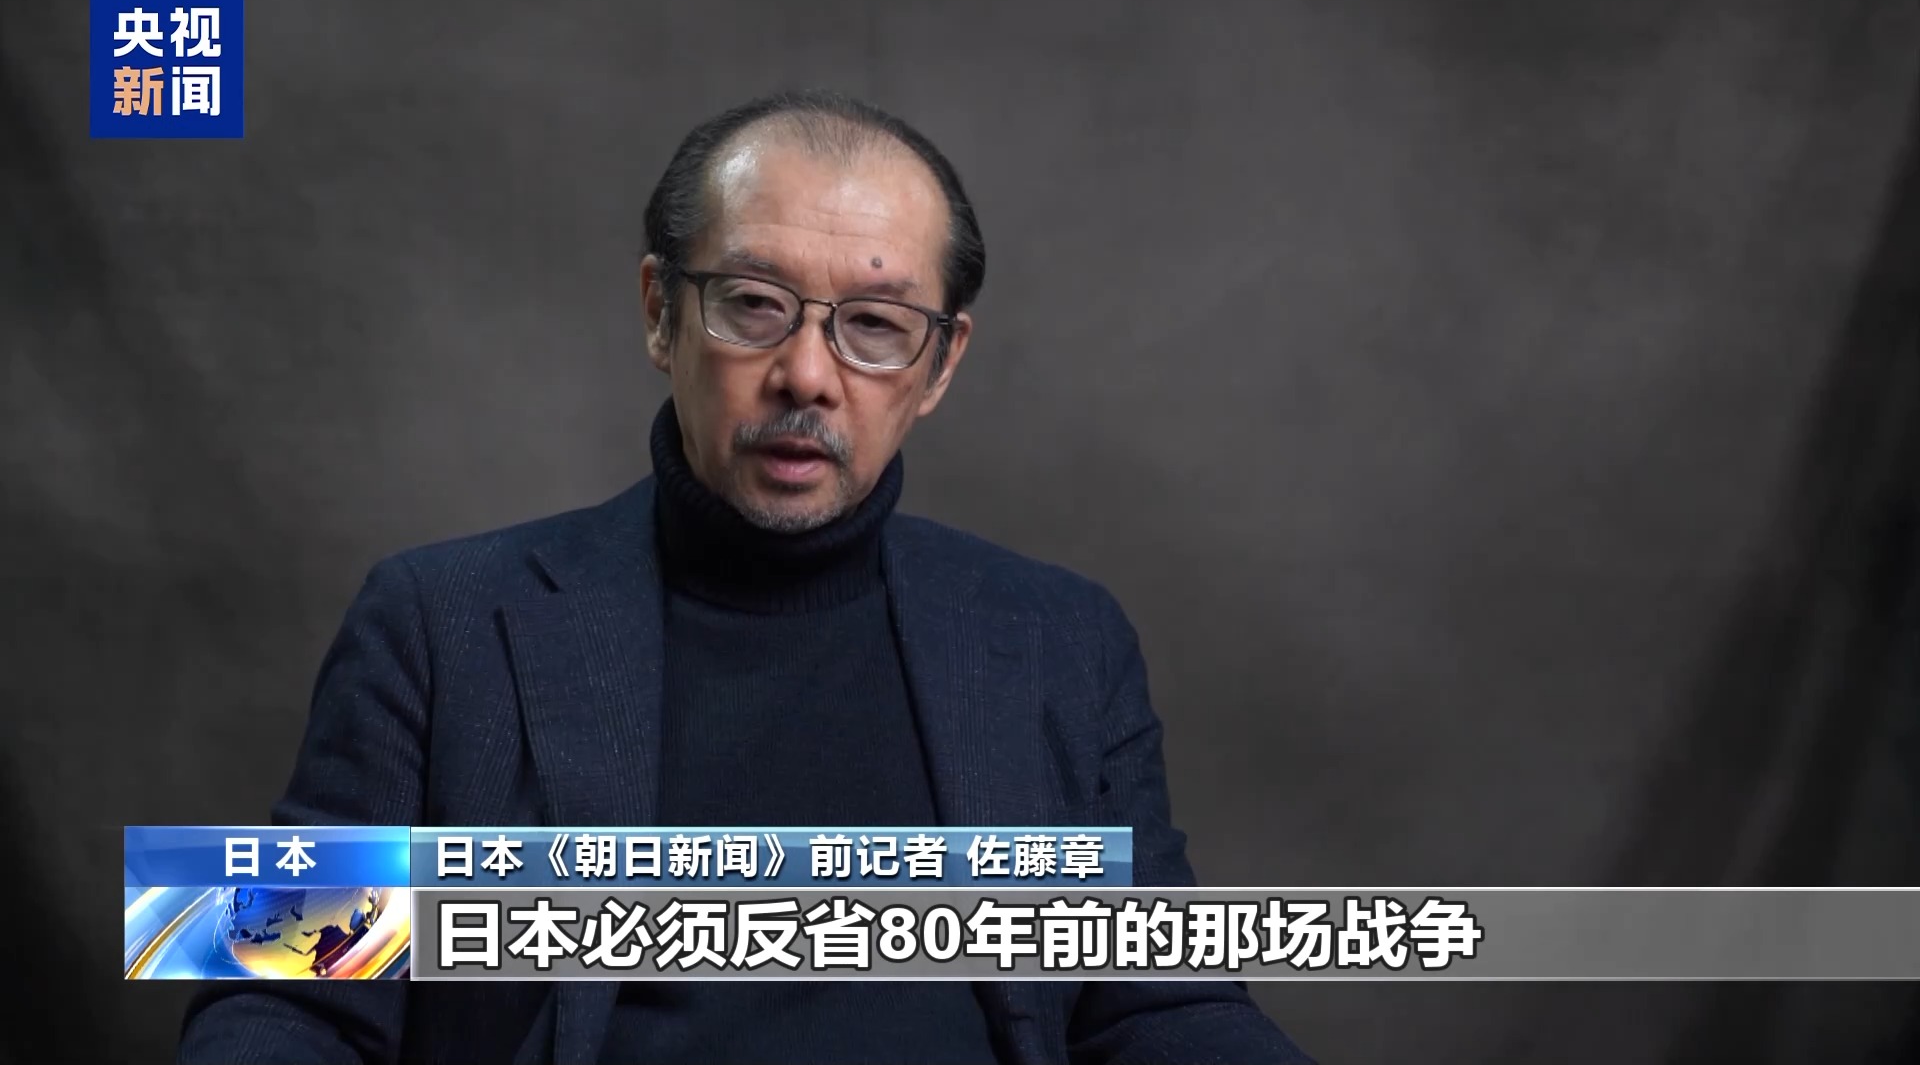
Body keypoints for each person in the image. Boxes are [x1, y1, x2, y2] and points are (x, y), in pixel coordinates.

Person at [179, 89, 1314, 1065]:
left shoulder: (1060, 641)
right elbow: (285, 990)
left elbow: (1161, 1000)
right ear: (660, 314)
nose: (807, 375)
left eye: (876, 324)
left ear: (939, 366)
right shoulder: (441, 625)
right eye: (754, 305)